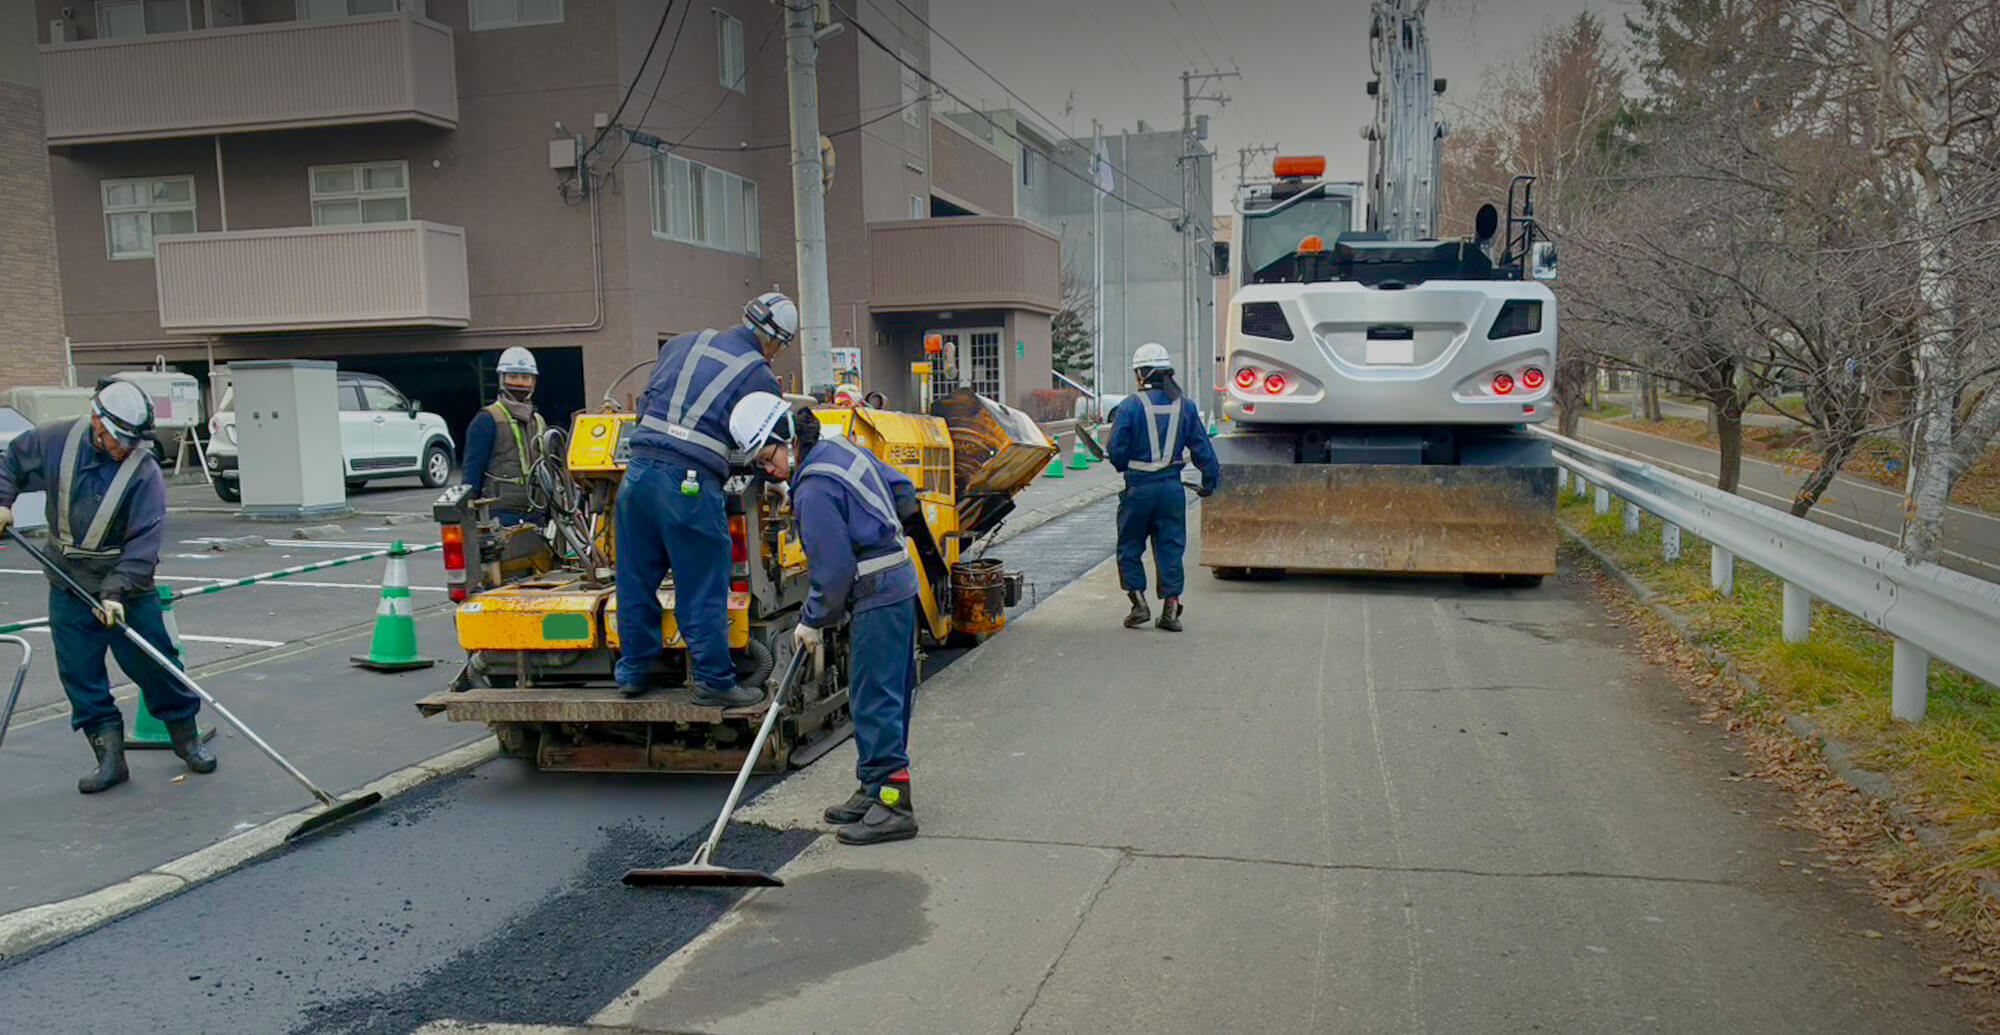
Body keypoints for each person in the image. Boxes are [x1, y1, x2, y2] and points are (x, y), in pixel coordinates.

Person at [0, 381, 216, 793]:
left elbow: (144, 543)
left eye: (132, 442)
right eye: (119, 439)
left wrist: (115, 593)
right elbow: (10, 461)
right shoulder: (55, 439)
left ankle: (186, 738)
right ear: (98, 420)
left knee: (155, 662)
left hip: (127, 583)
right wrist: (3, 501)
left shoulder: (145, 473)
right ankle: (110, 759)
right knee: (80, 672)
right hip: (67, 579)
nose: (124, 449)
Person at [728, 392, 921, 845]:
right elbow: (903, 494)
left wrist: (812, 619)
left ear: (786, 438)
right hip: (895, 583)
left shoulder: (814, 487)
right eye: (758, 463)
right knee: (874, 690)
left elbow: (831, 571)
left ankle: (894, 804)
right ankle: (873, 788)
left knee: (875, 696)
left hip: (877, 592)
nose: (767, 469)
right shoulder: (840, 447)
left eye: (768, 456)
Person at [615, 292, 798, 705]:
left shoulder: (683, 342)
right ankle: (715, 683)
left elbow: (650, 407)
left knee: (635, 579)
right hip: (687, 484)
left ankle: (634, 671)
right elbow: (756, 443)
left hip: (637, 473)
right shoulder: (760, 377)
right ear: (775, 341)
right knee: (701, 583)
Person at [1107, 343, 1220, 632]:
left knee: (1130, 546)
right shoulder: (1186, 406)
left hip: (1138, 490)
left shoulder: (1130, 406)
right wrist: (1209, 482)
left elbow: (1117, 452)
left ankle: (1138, 603)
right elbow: (1203, 449)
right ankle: (1171, 610)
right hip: (1171, 490)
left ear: (1142, 374)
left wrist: (1125, 464)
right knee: (1170, 547)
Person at [460, 346, 548, 526]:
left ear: (534, 381)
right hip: (500, 515)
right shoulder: (487, 419)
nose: (520, 383)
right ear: (502, 379)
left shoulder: (538, 421)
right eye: (513, 376)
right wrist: (469, 513)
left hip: (536, 512)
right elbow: (472, 472)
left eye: (525, 377)